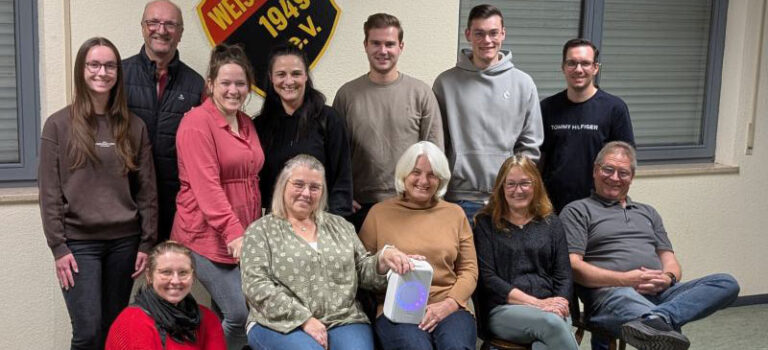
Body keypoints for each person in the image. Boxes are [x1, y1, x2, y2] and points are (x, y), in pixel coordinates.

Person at [560, 141, 740, 350]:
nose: (615, 178)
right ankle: (657, 321)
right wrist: (625, 279)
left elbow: (670, 261)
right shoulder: (577, 211)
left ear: (632, 177)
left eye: (623, 173)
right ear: (595, 170)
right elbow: (574, 267)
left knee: (725, 283)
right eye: (608, 169)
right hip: (612, 296)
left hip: (660, 294)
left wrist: (667, 278)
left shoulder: (648, 212)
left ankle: (658, 317)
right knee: (666, 333)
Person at [39, 37, 157, 350]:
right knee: (88, 332)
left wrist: (147, 241)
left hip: (125, 243)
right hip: (78, 245)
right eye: (94, 64)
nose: (101, 72)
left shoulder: (134, 126)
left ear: (118, 72)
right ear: (82, 70)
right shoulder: (58, 125)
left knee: (114, 331)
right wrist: (58, 247)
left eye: (109, 65)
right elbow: (49, 192)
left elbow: (147, 191)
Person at [241, 154, 415, 350]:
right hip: (278, 322)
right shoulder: (260, 231)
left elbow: (363, 272)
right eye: (298, 184)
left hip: (344, 318)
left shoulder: (340, 226)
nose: (306, 193)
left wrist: (383, 259)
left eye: (315, 187)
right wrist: (304, 319)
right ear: (283, 185)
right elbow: (256, 287)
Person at [170, 43, 263, 350]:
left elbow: (250, 178)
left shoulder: (246, 123)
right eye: (225, 83)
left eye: (240, 83)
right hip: (204, 235)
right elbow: (207, 186)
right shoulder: (197, 123)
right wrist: (233, 232)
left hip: (241, 234)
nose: (233, 90)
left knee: (228, 311)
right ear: (210, 84)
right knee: (238, 311)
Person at [359, 141, 478, 350]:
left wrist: (449, 304)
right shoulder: (379, 213)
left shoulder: (455, 214)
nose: (423, 180)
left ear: (440, 179)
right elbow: (361, 268)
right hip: (397, 308)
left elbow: (469, 270)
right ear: (404, 174)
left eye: (432, 174)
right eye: (416, 172)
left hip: (449, 305)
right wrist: (385, 260)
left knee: (456, 347)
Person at [332, 13, 444, 231]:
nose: (383, 51)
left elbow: (434, 153)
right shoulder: (347, 95)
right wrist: (342, 194)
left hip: (409, 204)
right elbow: (335, 154)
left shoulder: (421, 93)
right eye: (376, 43)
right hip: (358, 207)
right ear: (365, 45)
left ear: (401, 46)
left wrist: (424, 197)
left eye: (390, 44)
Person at [432, 4, 543, 222]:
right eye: (479, 33)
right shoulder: (445, 83)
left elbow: (530, 145)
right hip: (457, 199)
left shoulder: (523, 83)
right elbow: (437, 143)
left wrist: (514, 188)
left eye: (493, 33)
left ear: (503, 33)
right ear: (468, 35)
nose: (487, 41)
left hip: (505, 199)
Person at [474, 155, 578, 350]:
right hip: (505, 311)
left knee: (544, 346)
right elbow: (489, 279)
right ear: (501, 188)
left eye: (524, 183)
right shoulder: (485, 224)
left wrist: (560, 304)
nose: (518, 190)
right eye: (511, 184)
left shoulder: (552, 223)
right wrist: (538, 304)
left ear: (536, 185)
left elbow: (564, 275)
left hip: (552, 309)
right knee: (551, 324)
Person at [123, 0, 205, 242]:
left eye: (170, 24)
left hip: (175, 204)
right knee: (126, 277)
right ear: (142, 27)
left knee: (170, 277)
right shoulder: (119, 75)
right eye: (153, 22)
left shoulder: (196, 85)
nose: (161, 29)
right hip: (126, 200)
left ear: (180, 33)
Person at [255, 44, 353, 218]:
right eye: (281, 74)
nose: (289, 81)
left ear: (306, 76)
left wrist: (338, 223)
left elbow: (342, 180)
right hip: (276, 223)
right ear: (271, 78)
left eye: (296, 73)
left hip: (322, 220)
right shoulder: (261, 126)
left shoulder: (329, 120)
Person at [540, 38, 635, 213]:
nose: (578, 69)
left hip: (600, 207)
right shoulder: (547, 107)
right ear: (563, 67)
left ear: (595, 68)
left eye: (585, 63)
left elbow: (626, 162)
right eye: (572, 63)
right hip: (552, 207)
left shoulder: (614, 108)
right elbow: (540, 159)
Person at [105, 241, 227, 350]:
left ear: (193, 276)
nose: (175, 280)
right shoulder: (133, 321)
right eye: (166, 272)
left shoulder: (207, 318)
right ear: (149, 276)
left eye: (183, 273)